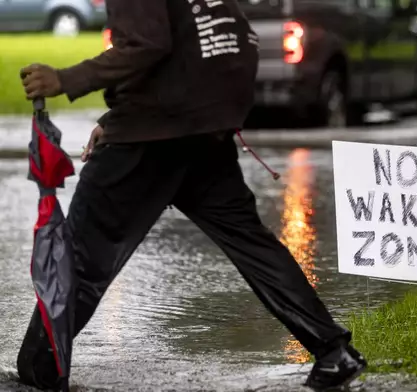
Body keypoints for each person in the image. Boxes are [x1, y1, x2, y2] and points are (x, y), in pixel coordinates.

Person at [16, 0, 366, 390]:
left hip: (147, 142)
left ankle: (38, 371)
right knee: (253, 246)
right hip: (203, 137)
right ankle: (334, 352)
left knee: (80, 257)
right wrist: (118, 119)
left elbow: (146, 45)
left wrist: (65, 79)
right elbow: (218, 46)